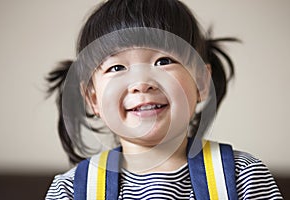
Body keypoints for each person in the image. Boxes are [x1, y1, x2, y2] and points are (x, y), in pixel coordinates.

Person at [45, 0, 283, 199]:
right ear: (93, 98)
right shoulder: (71, 190)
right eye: (117, 67)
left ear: (201, 82)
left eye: (163, 61)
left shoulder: (243, 176)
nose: (142, 83)